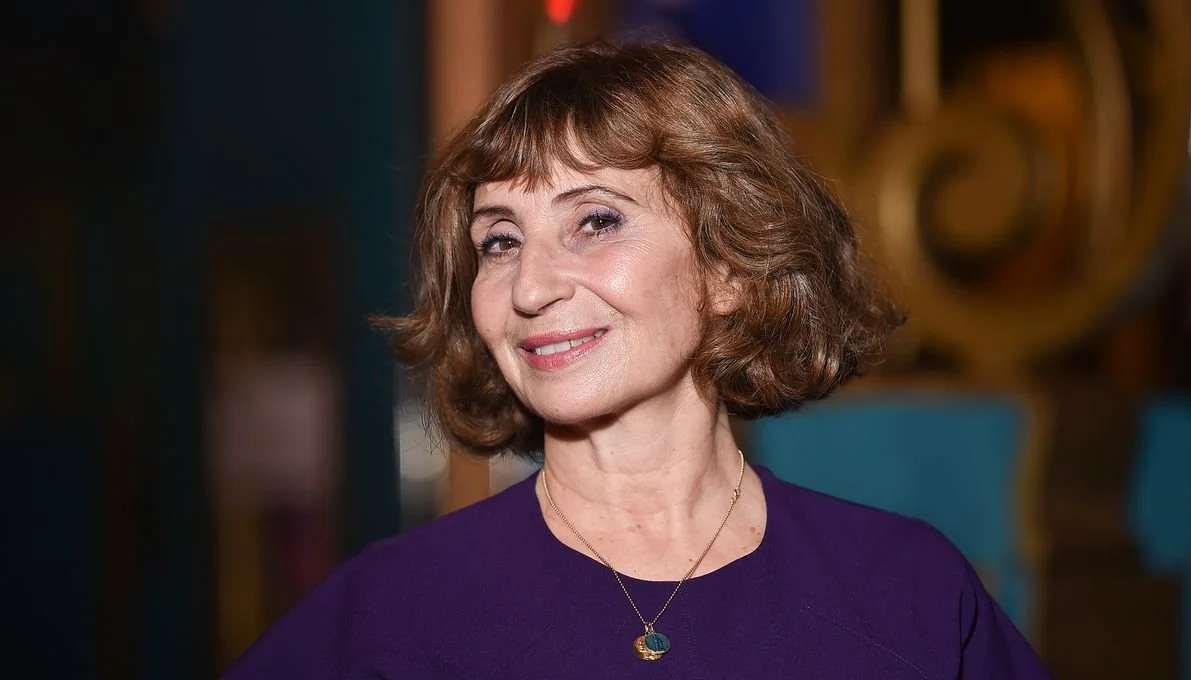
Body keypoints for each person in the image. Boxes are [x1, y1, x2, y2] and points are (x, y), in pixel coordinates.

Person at [224, 41, 1051, 678]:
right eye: (500, 242)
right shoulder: (396, 614)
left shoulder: (904, 593)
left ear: (730, 267)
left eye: (596, 222)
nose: (531, 286)